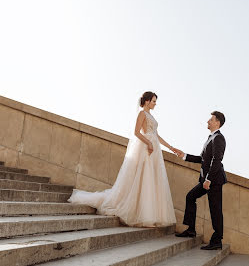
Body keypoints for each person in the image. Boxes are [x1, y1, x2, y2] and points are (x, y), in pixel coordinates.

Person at [68, 91, 177, 227]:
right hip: (145, 149)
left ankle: (147, 214)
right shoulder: (142, 114)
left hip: (154, 151)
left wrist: (171, 147)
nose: (155, 104)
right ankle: (139, 214)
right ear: (147, 101)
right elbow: (136, 132)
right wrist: (148, 143)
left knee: (149, 180)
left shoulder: (151, 116)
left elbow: (156, 135)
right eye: (154, 101)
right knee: (142, 178)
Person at [172, 111, 227, 250]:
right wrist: (184, 155)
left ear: (217, 122)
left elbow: (216, 160)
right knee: (190, 197)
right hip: (206, 180)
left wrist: (208, 179)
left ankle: (217, 241)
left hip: (213, 180)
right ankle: (191, 230)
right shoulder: (211, 138)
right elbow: (202, 159)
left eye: (211, 119)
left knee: (215, 209)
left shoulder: (219, 138)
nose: (208, 121)